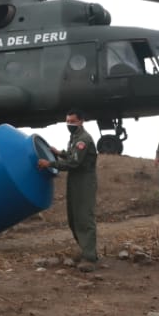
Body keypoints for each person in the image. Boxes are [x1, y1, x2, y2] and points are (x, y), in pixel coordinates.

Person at [37, 110, 99, 272]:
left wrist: (50, 164)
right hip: (75, 181)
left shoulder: (83, 140)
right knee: (74, 217)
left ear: (81, 121)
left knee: (84, 218)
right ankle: (85, 249)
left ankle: (90, 257)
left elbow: (74, 163)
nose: (69, 125)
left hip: (84, 181)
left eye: (73, 121)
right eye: (67, 121)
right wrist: (59, 153)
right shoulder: (75, 138)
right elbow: (72, 156)